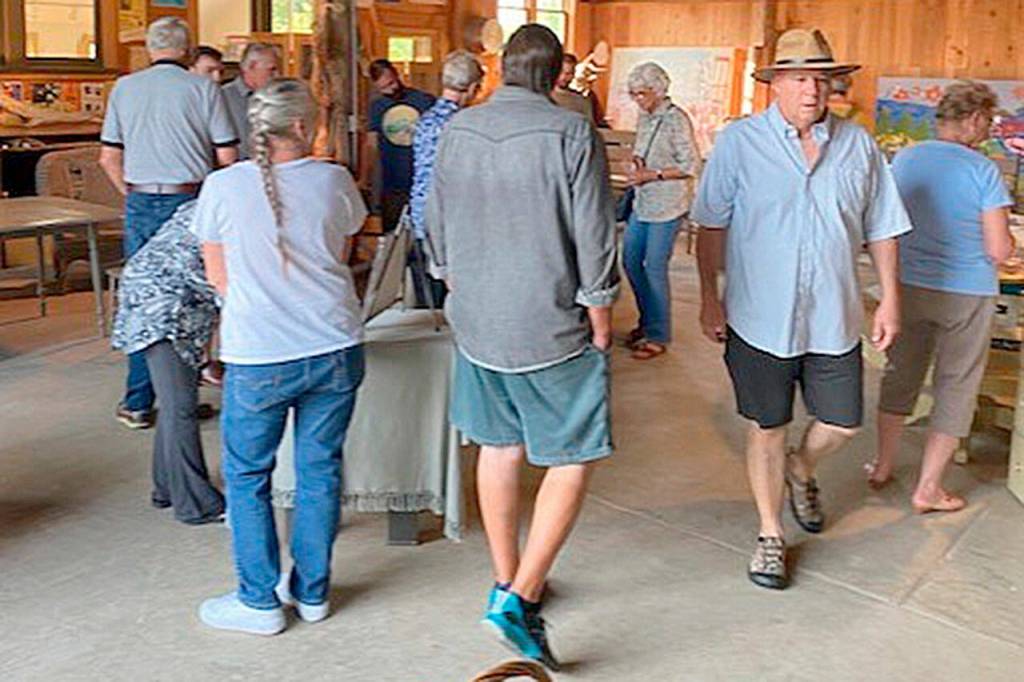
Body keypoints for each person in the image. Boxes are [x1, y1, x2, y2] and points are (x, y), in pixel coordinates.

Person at [426, 24, 619, 670]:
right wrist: (600, 310)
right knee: (575, 453)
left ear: (501, 69)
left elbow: (434, 217)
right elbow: (594, 230)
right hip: (549, 319)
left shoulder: (459, 129)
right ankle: (523, 596)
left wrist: (451, 275)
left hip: (477, 318)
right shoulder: (570, 131)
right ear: (556, 74)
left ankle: (504, 579)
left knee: (498, 446)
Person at [691, 28, 912, 591]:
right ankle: (770, 534)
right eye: (798, 78)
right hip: (758, 318)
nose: (812, 89)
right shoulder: (740, 143)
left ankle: (802, 466)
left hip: (833, 315)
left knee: (842, 421)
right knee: (768, 426)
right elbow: (711, 224)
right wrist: (710, 297)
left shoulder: (858, 145)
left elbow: (883, 227)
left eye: (821, 78)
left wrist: (890, 297)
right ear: (776, 84)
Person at [195, 78, 368, 636]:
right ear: (301, 126)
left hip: (260, 351)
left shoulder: (221, 186)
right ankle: (313, 593)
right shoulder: (334, 179)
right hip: (334, 344)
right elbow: (341, 253)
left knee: (248, 476)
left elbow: (218, 277)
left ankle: (258, 600)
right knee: (320, 471)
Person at [870, 81, 1016, 513]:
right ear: (973, 119)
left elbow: (886, 223)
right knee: (957, 385)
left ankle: (882, 465)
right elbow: (998, 250)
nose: (989, 130)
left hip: (909, 286)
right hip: (967, 292)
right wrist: (1011, 244)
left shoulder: (906, 158)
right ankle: (928, 489)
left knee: (900, 374)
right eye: (988, 121)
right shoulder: (984, 170)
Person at [99, 17, 239, 430]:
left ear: (148, 48)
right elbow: (228, 157)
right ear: (189, 49)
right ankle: (182, 399)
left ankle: (138, 401)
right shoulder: (203, 89)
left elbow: (108, 157)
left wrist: (131, 194)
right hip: (191, 200)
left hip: (141, 200)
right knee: (192, 301)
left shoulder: (124, 88)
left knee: (144, 299)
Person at [111, 201, 225, 525]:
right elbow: (223, 287)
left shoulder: (208, 203)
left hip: (162, 300)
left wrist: (205, 359)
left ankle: (166, 488)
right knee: (180, 407)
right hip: (160, 307)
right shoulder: (229, 214)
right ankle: (195, 504)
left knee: (176, 404)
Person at [622, 62, 701, 360]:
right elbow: (642, 150)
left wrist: (652, 174)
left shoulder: (676, 119)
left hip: (668, 204)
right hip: (643, 201)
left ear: (658, 90)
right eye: (632, 94)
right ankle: (647, 321)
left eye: (641, 93)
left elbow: (690, 165)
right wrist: (635, 163)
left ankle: (658, 334)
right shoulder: (645, 116)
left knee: (654, 267)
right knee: (630, 261)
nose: (636, 99)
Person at [409, 50, 484, 308]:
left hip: (420, 217)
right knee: (458, 300)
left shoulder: (425, 120)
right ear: (472, 87)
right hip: (451, 222)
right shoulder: (465, 126)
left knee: (428, 299)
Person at [361, 59, 435, 231]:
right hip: (392, 182)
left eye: (391, 83)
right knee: (392, 232)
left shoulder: (423, 101)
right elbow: (371, 144)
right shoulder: (377, 107)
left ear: (396, 75)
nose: (391, 89)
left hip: (422, 179)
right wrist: (365, 177)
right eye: (384, 88)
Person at [222, 43, 281, 160]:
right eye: (271, 69)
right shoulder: (223, 98)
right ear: (251, 66)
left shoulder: (277, 97)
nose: (277, 75)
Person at [551, 53, 595, 123]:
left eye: (568, 73)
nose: (563, 77)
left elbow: (589, 125)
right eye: (561, 72)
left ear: (574, 74)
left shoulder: (581, 101)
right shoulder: (542, 97)